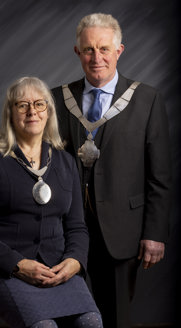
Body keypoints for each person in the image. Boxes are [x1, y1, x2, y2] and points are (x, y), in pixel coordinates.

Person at [52, 13, 172, 328]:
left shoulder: (147, 99)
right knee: (68, 313)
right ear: (77, 52)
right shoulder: (55, 100)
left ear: (119, 51)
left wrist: (154, 233)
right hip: (65, 230)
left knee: (115, 315)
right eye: (88, 49)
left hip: (124, 228)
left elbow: (160, 176)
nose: (97, 57)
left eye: (105, 49)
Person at [0, 76, 103, 328]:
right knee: (43, 326)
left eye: (39, 104)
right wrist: (17, 264)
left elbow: (77, 227)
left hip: (57, 269)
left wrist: (75, 261)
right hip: (3, 269)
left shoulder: (66, 162)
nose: (31, 111)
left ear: (48, 111)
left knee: (90, 322)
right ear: (10, 112)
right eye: (22, 104)